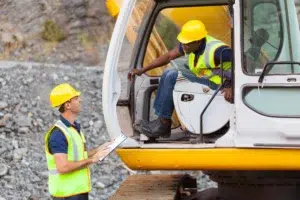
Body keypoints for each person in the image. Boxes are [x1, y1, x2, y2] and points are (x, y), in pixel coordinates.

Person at [128, 20, 233, 138]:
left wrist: (232, 87)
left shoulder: (218, 51)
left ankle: (163, 124)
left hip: (220, 87)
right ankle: (162, 123)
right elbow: (168, 57)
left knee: (172, 75)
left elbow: (245, 64)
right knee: (168, 72)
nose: (183, 46)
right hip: (208, 82)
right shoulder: (191, 46)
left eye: (186, 43)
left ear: (198, 41)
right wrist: (143, 70)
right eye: (182, 42)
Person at [45, 83, 111, 200]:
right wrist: (92, 160)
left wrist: (98, 150)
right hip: (66, 195)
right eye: (76, 98)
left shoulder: (72, 129)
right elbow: (63, 167)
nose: (80, 100)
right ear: (68, 105)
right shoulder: (58, 134)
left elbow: (79, 155)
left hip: (76, 192)